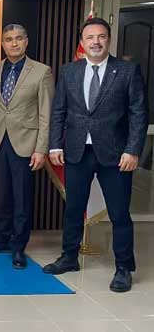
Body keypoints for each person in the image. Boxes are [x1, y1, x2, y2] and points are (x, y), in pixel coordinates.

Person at [44, 17, 147, 293]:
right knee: (73, 209)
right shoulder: (69, 71)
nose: (96, 42)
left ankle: (124, 268)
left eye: (101, 36)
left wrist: (133, 150)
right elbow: (59, 110)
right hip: (77, 152)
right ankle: (69, 257)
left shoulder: (126, 71)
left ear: (108, 40)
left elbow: (138, 113)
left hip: (116, 155)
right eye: (90, 37)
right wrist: (55, 145)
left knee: (119, 213)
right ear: (82, 42)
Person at [0, 24, 54, 269]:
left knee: (21, 197)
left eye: (18, 38)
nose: (14, 43)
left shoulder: (41, 72)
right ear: (2, 43)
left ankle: (19, 246)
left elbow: (46, 114)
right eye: (9, 39)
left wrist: (41, 149)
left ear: (26, 41)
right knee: (0, 195)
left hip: (25, 143)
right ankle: (1, 239)